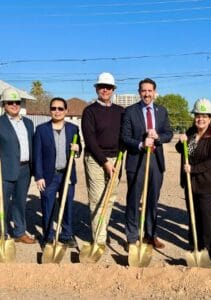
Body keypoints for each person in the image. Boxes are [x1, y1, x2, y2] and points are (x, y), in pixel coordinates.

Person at [121, 78, 173, 249]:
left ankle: (151, 235)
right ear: (139, 92)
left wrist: (158, 137)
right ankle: (132, 238)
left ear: (155, 92)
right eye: (144, 90)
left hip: (156, 162)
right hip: (137, 161)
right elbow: (125, 137)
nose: (147, 94)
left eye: (150, 90)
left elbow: (169, 133)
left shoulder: (162, 111)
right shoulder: (130, 111)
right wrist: (141, 144)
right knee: (134, 200)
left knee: (153, 200)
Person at [175, 98, 211, 260]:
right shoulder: (191, 132)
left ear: (210, 118)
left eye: (204, 116)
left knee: (207, 219)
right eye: (197, 115)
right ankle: (195, 245)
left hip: (208, 185)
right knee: (193, 216)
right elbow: (180, 149)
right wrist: (181, 141)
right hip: (191, 185)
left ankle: (208, 252)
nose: (200, 119)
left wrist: (193, 169)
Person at [81, 72, 124, 246]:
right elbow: (90, 139)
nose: (105, 90)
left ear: (113, 90)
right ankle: (99, 240)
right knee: (97, 198)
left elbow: (126, 134)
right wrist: (105, 162)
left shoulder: (121, 111)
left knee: (110, 197)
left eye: (108, 87)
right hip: (95, 159)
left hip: (117, 159)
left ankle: (102, 229)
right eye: (101, 87)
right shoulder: (89, 111)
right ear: (97, 89)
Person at [33, 97, 81, 248]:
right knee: (48, 206)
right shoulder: (41, 130)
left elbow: (78, 147)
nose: (57, 111)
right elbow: (37, 155)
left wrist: (78, 149)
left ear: (66, 111)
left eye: (60, 108)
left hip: (67, 174)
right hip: (49, 176)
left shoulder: (73, 129)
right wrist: (39, 176)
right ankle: (48, 236)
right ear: (50, 111)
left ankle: (66, 235)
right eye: (54, 108)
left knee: (67, 206)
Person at [0, 87, 36, 244]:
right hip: (5, 169)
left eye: (17, 102)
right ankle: (2, 233)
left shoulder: (28, 123)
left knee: (20, 202)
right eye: (10, 102)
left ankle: (20, 232)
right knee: (3, 203)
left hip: (25, 169)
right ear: (4, 105)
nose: (14, 105)